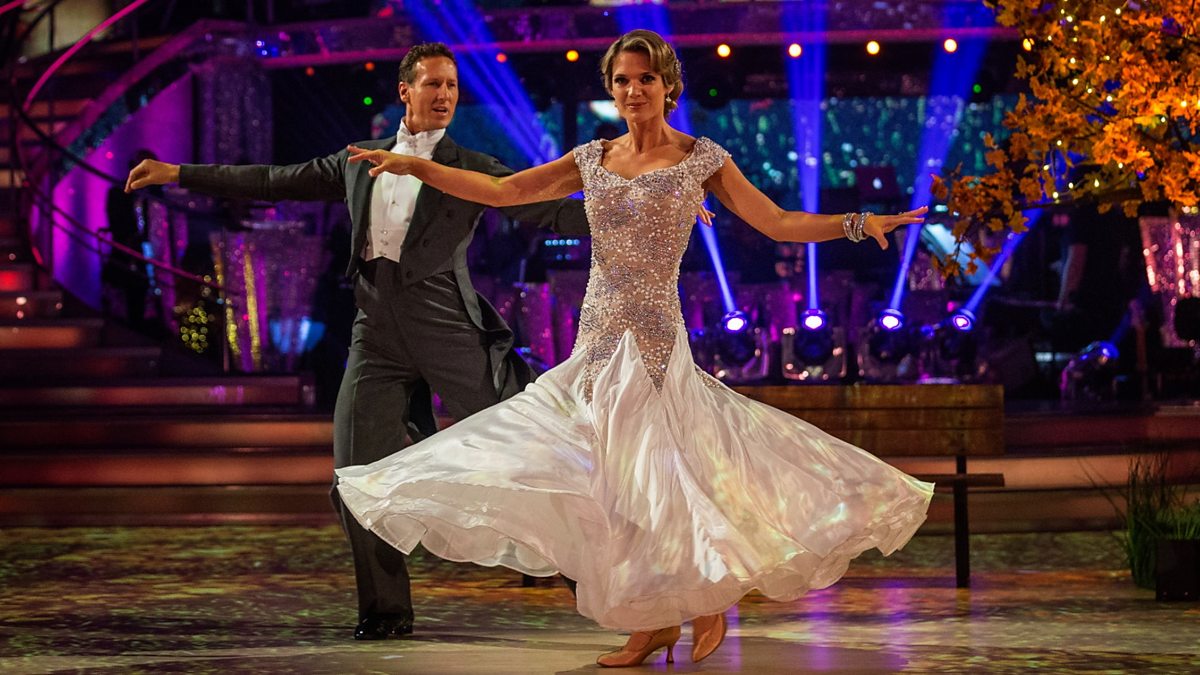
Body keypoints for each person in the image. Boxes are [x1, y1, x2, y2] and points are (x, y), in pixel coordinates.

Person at [334, 29, 934, 667]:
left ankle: (693, 601)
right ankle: (657, 621)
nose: (633, 89)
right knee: (607, 487)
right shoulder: (593, 158)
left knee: (655, 482)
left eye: (645, 78)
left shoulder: (701, 158)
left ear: (667, 85)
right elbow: (507, 192)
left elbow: (777, 222)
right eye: (622, 80)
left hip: (651, 344)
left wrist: (858, 223)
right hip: (595, 340)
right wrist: (418, 166)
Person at [124, 42, 591, 641]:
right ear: (405, 91)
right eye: (433, 84)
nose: (444, 95)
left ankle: (592, 581)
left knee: (523, 453)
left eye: (451, 85)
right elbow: (273, 180)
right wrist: (177, 173)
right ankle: (385, 612)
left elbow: (548, 211)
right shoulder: (356, 162)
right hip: (376, 334)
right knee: (355, 476)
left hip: (448, 328)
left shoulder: (472, 166)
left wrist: (643, 209)